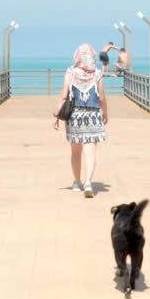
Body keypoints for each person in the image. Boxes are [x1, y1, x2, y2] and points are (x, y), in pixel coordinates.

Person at [53, 43, 108, 197]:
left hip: (74, 117)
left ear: (77, 57)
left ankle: (77, 182)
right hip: (92, 116)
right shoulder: (97, 74)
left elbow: (64, 96)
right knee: (90, 151)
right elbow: (102, 97)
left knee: (75, 152)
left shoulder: (70, 73)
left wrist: (57, 115)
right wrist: (105, 113)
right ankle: (89, 183)